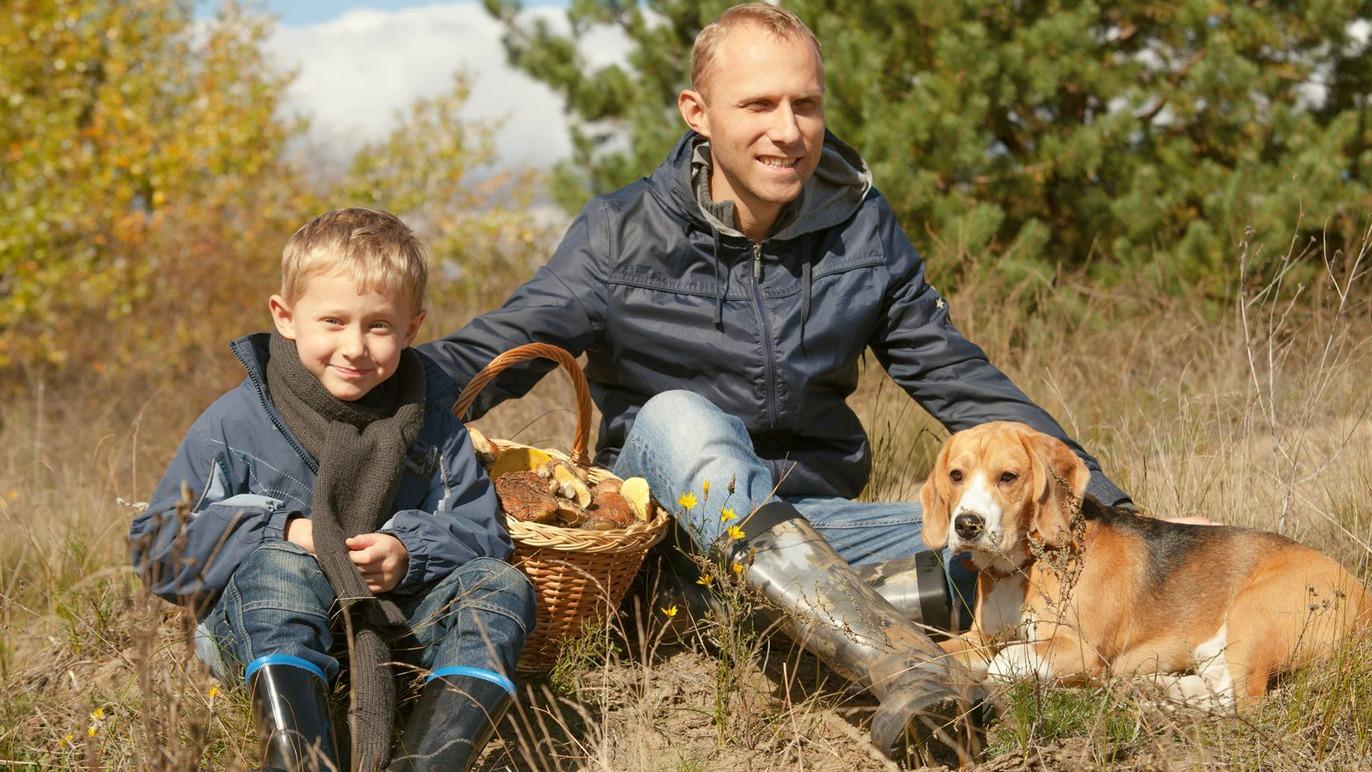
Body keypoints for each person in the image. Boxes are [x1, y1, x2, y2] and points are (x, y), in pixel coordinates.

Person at [421, 3, 1131, 763]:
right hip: (669, 528)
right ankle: (904, 664)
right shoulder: (619, 233)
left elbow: (955, 374)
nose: (788, 130)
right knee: (680, 416)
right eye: (758, 105)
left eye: (806, 103)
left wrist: (1105, 506)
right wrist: (366, 391)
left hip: (810, 526)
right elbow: (501, 348)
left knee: (997, 540)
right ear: (697, 113)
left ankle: (748, 623)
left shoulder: (861, 227)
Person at [130, 208, 535, 771]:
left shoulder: (432, 425)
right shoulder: (235, 423)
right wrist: (282, 530)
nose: (355, 347)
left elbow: (481, 533)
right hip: (265, 633)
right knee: (277, 565)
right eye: (333, 322)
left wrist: (408, 553)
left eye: (378, 326)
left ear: (411, 329)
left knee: (501, 586)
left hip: (393, 629)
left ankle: (429, 761)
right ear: (286, 316)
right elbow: (156, 546)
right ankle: (302, 758)